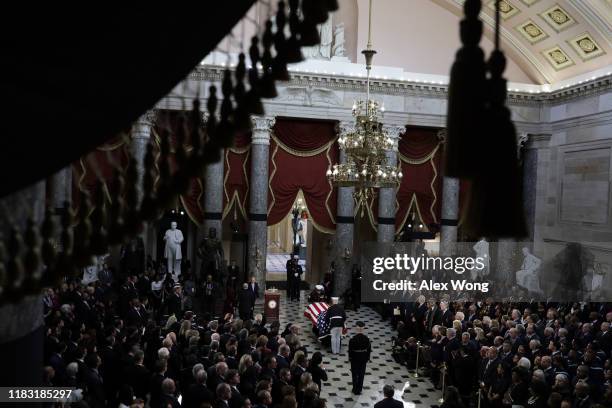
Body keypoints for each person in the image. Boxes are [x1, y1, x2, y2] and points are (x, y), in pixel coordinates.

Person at [348, 321, 371, 395]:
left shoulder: (352, 339)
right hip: (363, 359)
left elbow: (350, 351)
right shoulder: (367, 339)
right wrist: (367, 358)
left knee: (354, 374)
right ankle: (359, 389)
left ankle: (355, 389)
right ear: (363, 329)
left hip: (354, 359)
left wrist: (350, 358)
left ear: (356, 328)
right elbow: (369, 350)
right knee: (361, 374)